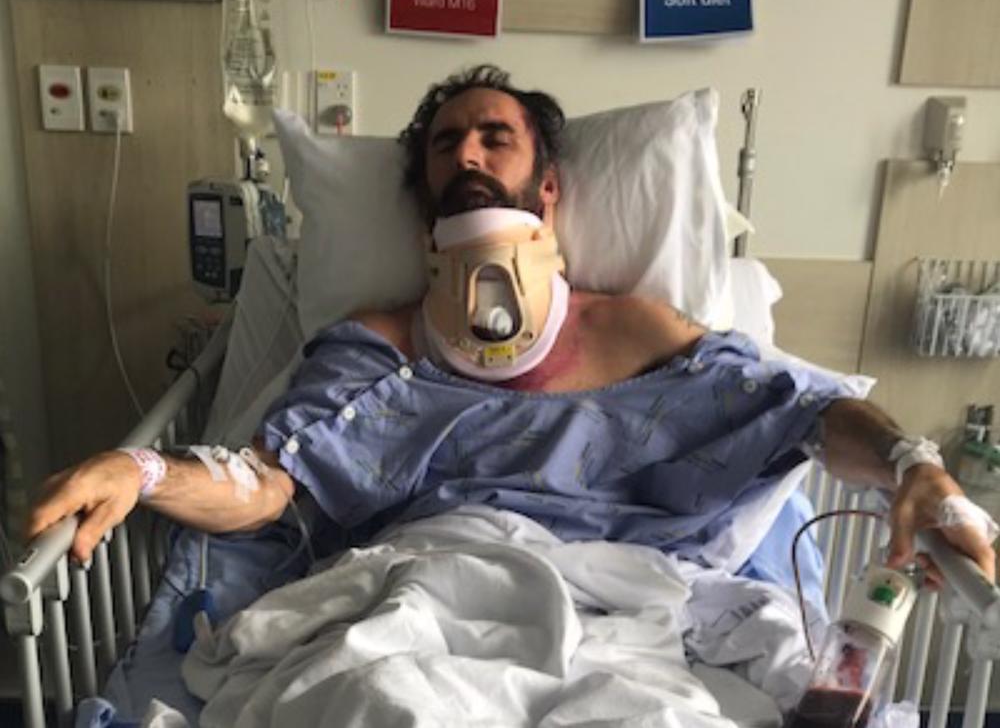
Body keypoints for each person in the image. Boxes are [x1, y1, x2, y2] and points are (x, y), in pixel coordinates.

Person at [26, 65, 995, 598]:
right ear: (422, 209)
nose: (470, 154)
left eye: (496, 137)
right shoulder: (376, 348)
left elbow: (799, 411)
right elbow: (268, 480)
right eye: (447, 143)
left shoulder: (637, 331)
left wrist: (914, 463)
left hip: (633, 617)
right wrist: (142, 469)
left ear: (549, 188)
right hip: (422, 606)